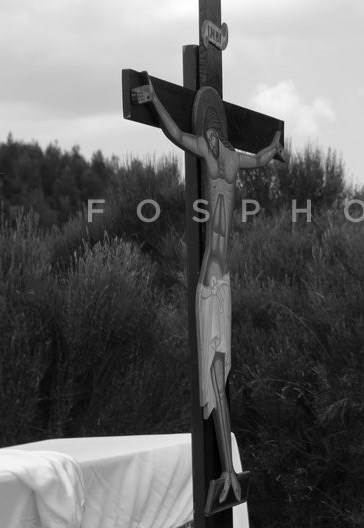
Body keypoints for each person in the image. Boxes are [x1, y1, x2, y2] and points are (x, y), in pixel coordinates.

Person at [136, 75, 285, 506]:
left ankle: (226, 471)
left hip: (217, 277)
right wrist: (156, 101)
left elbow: (256, 157)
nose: (213, 130)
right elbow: (174, 133)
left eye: (216, 125)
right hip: (216, 271)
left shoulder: (228, 157)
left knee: (217, 369)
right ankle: (226, 469)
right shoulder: (216, 152)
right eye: (211, 124)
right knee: (215, 369)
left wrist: (272, 150)